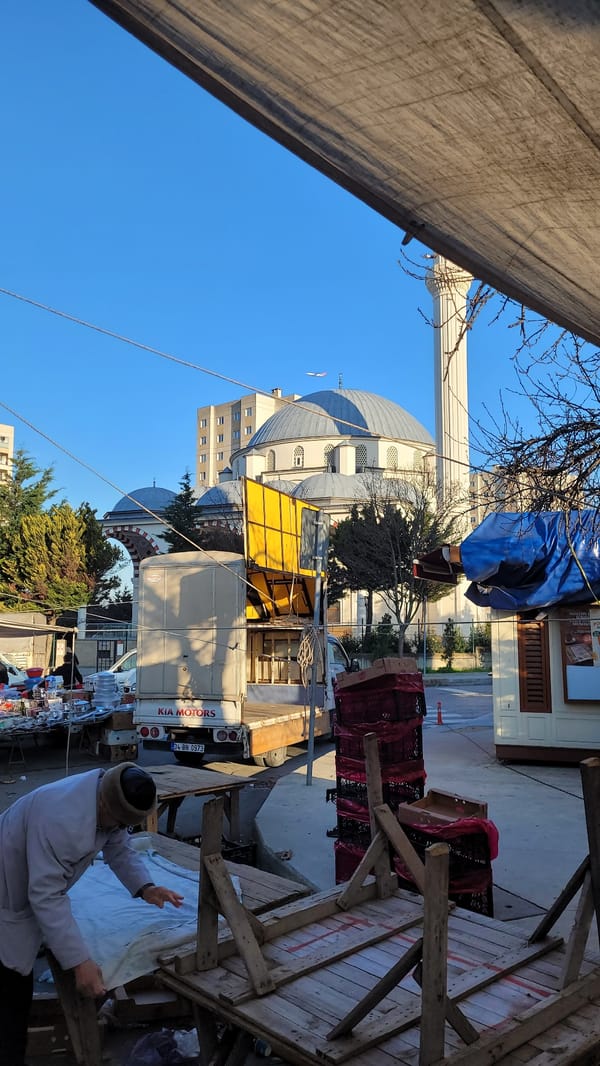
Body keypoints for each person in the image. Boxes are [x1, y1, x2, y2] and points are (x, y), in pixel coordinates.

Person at [0, 762, 184, 1066]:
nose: (116, 829)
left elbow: (119, 847)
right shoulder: (61, 819)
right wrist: (79, 962)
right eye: (117, 821)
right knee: (10, 996)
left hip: (21, 888)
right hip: (6, 892)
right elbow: (46, 895)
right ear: (103, 803)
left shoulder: (107, 795)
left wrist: (146, 887)